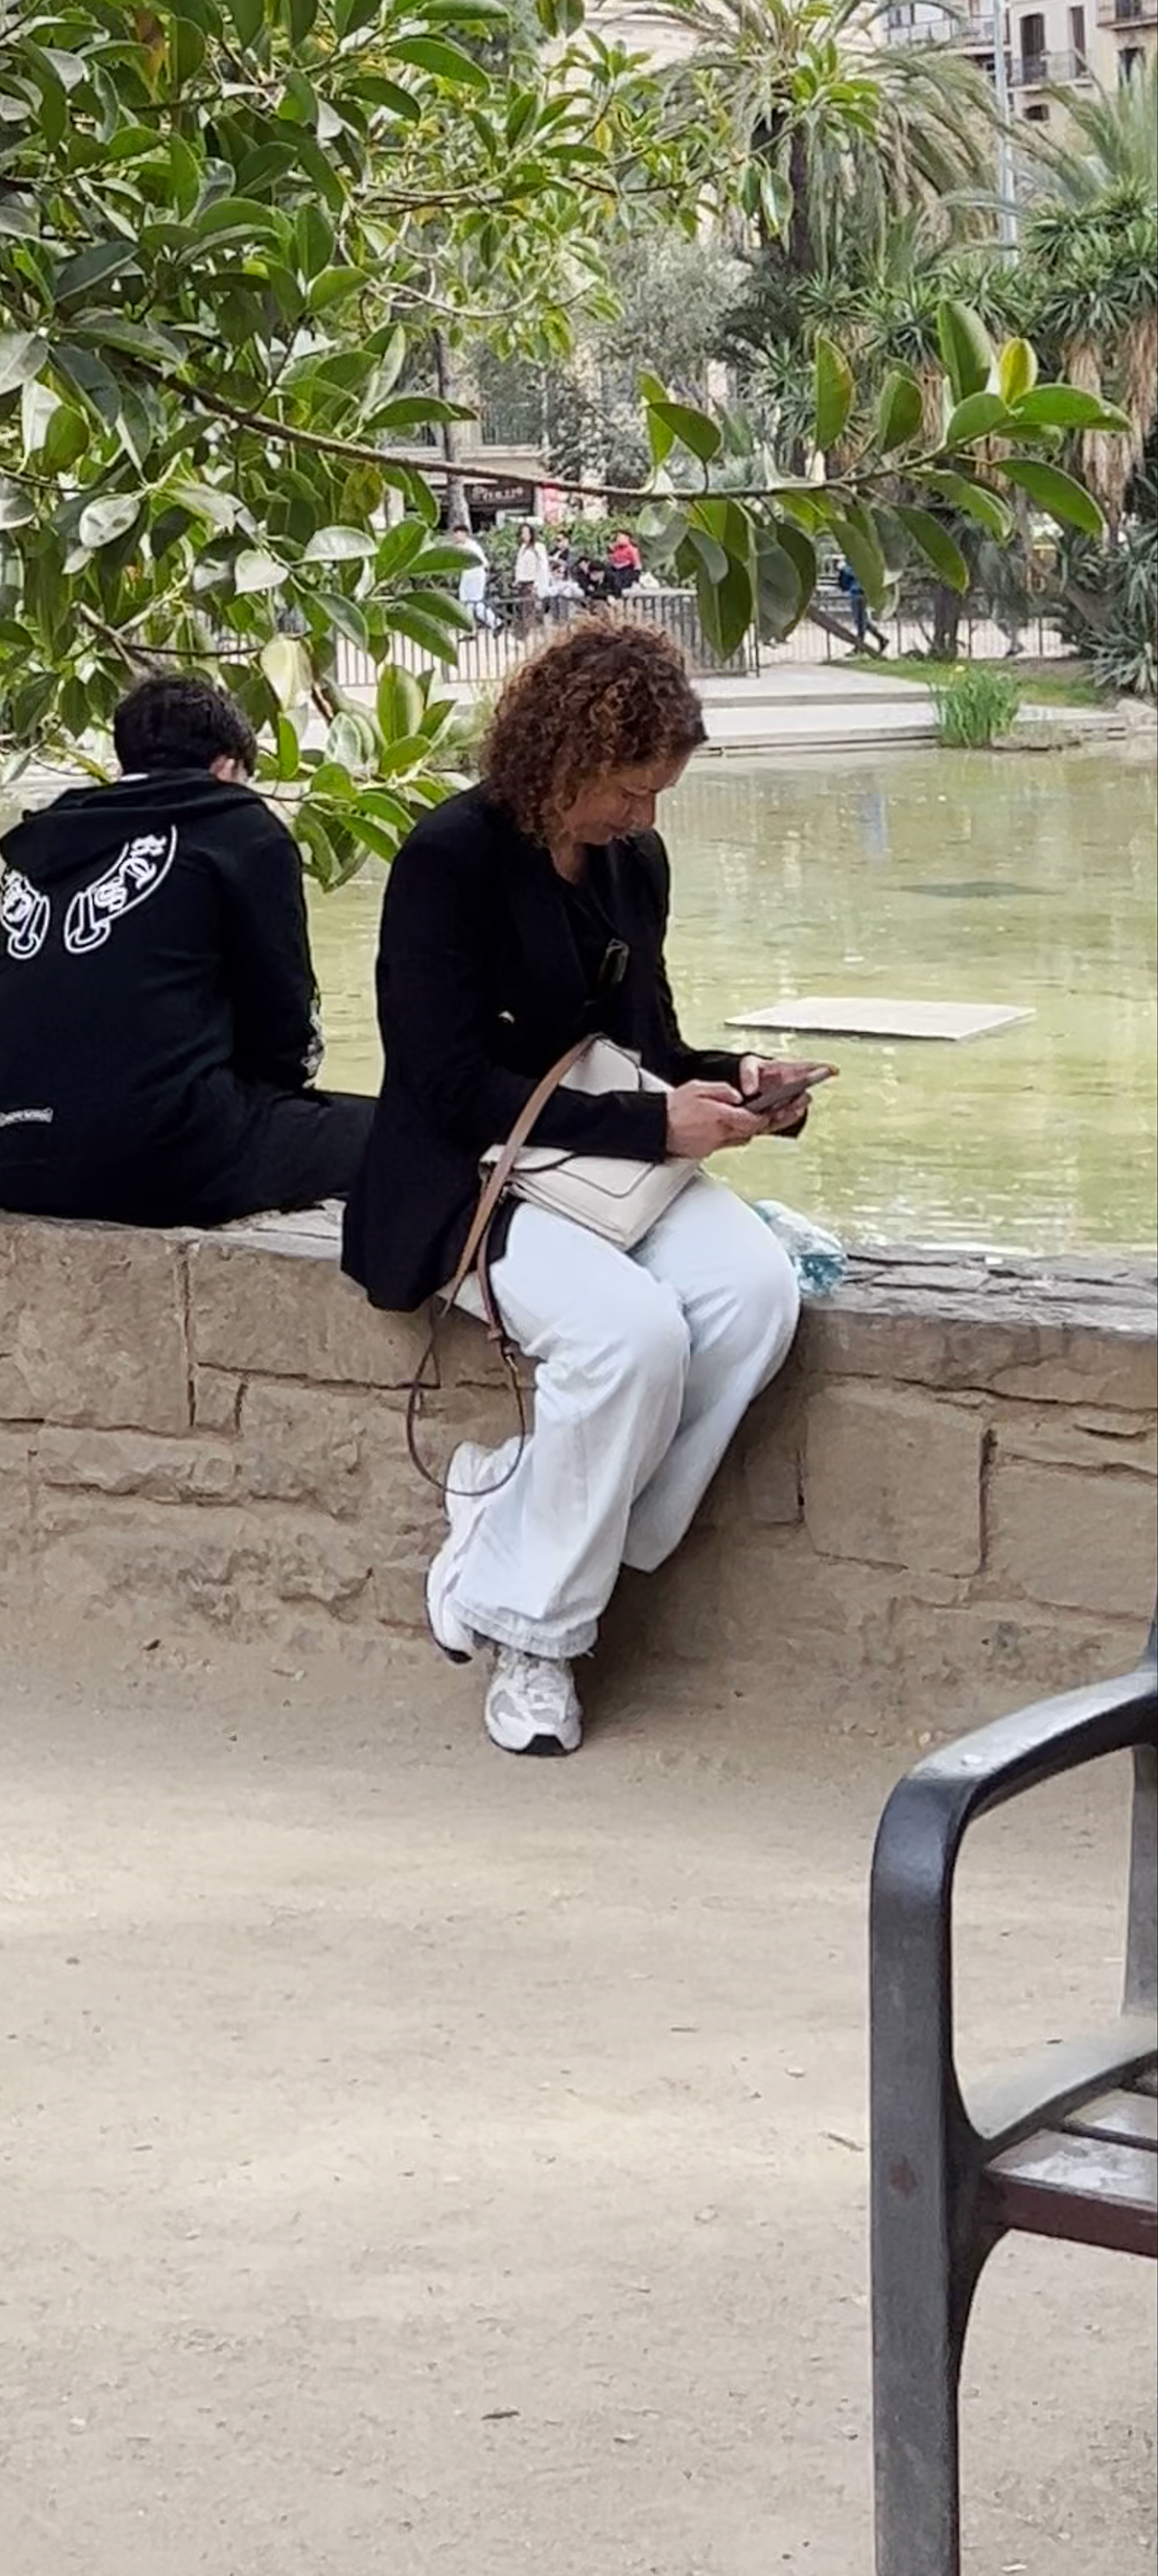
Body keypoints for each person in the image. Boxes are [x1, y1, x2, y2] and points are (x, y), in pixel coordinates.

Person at [342, 617, 824, 1758]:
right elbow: (448, 1080)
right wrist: (654, 1123)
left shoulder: (630, 864)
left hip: (601, 1155)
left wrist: (735, 1079)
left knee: (756, 1292)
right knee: (632, 1337)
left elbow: (641, 1037)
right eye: (628, 788)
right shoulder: (448, 857)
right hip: (474, 1175)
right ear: (559, 756)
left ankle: (520, 1513)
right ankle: (533, 1633)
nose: (645, 816)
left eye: (659, 792)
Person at [0, 666, 372, 1226]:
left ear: (127, 761)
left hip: (4, 1153)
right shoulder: (239, 826)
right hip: (159, 1153)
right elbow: (283, 1023)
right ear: (226, 766)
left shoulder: (36, 845)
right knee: (403, 1134)